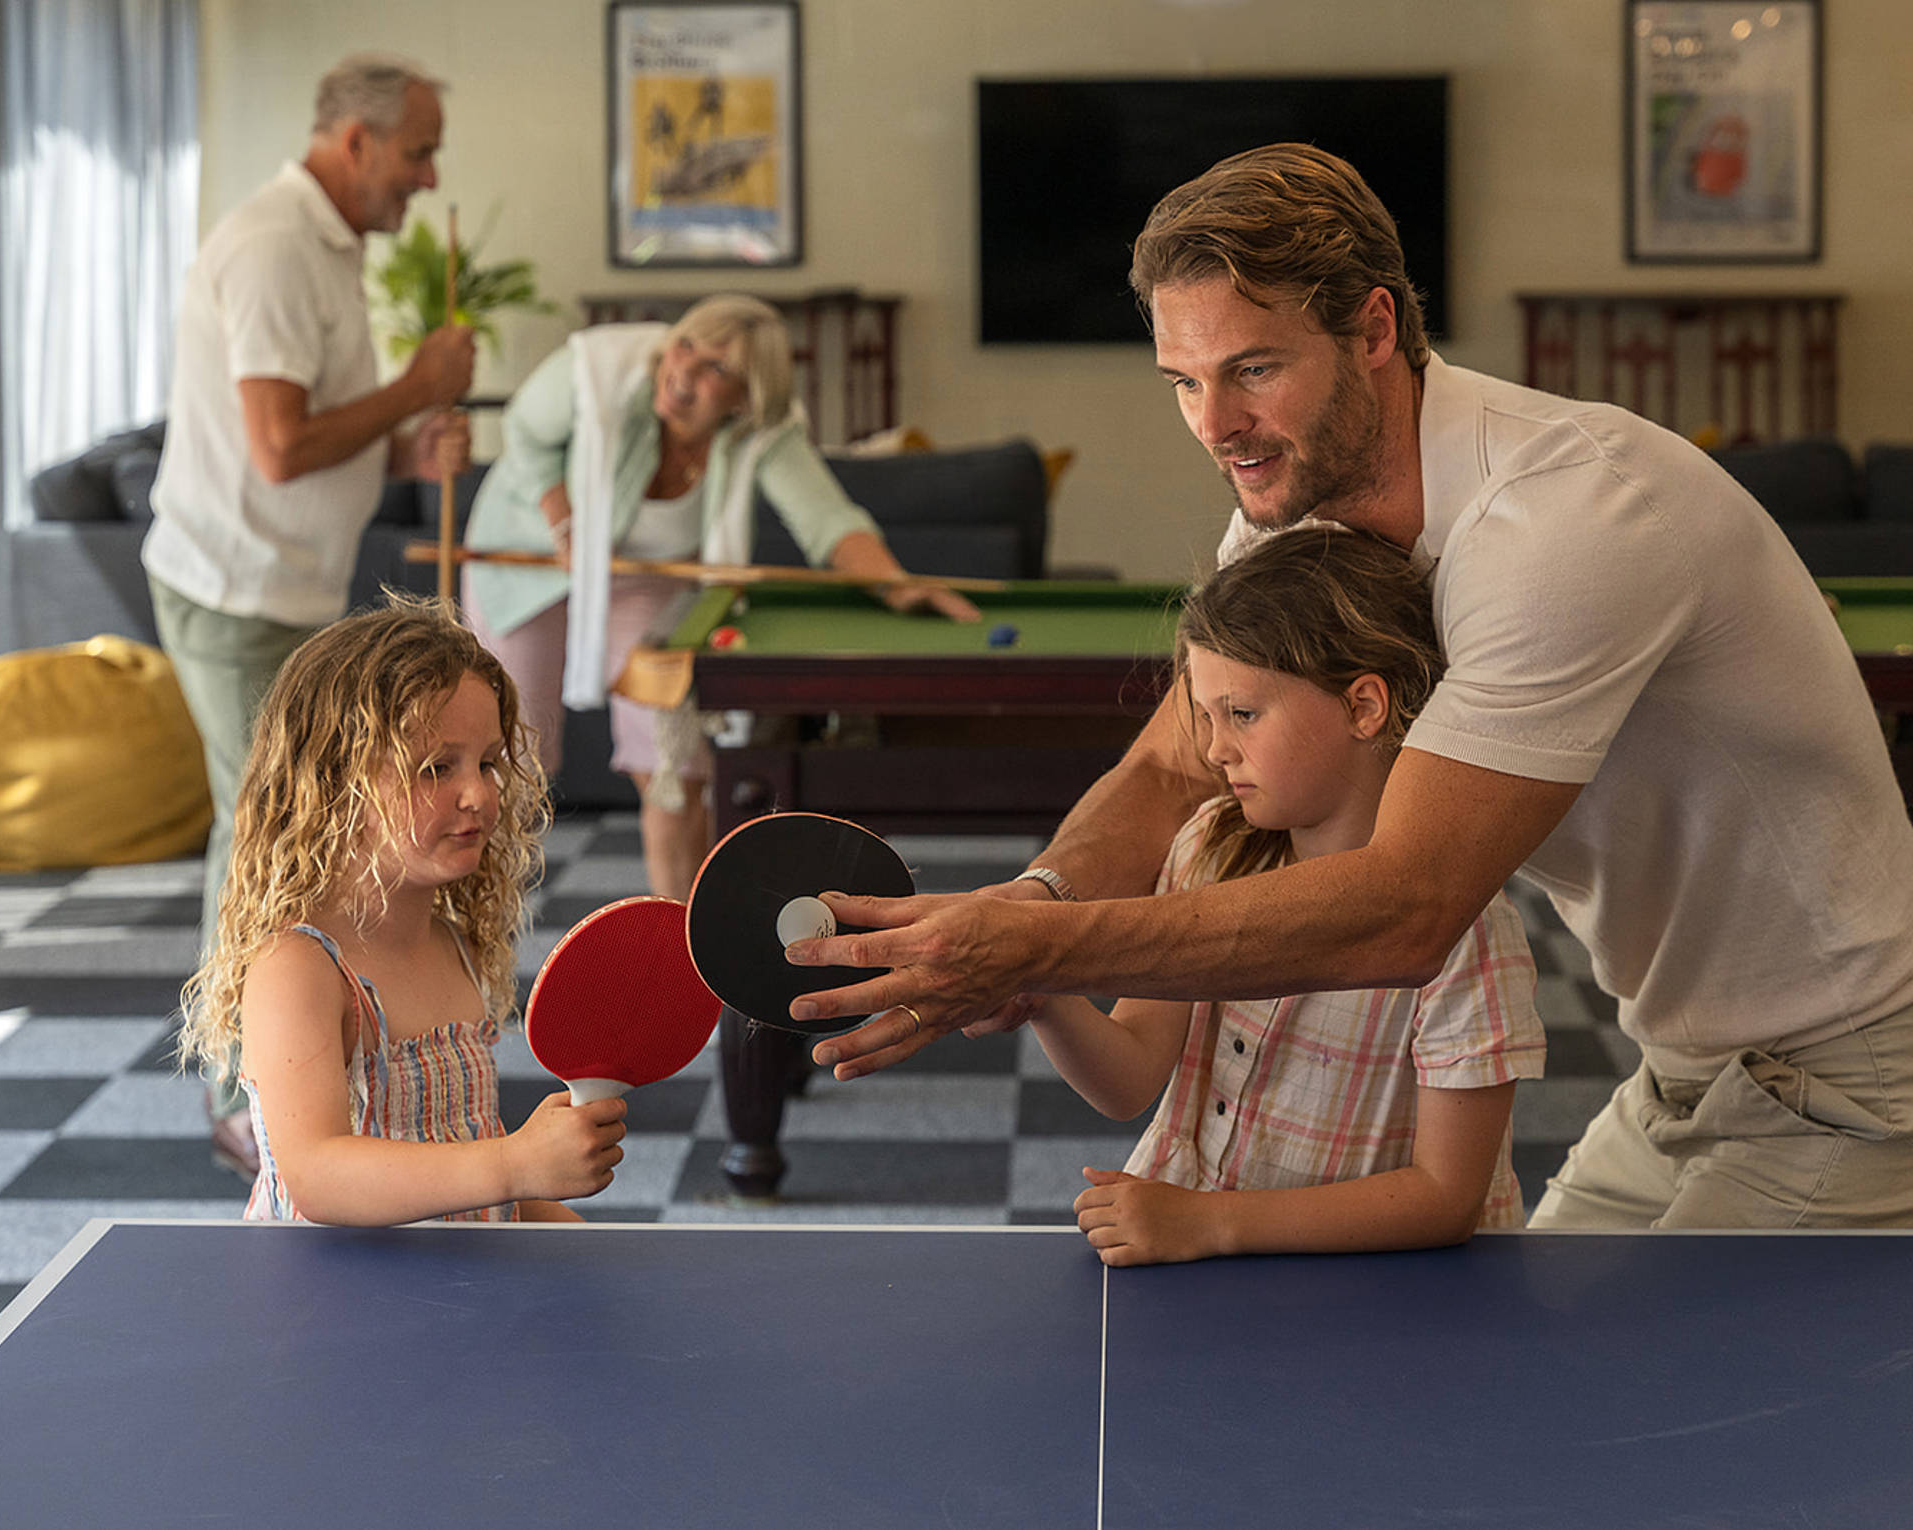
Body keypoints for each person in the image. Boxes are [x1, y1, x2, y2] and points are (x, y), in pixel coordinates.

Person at [789, 143, 1913, 1230]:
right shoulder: (1295, 513)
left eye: (1252, 371)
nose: (1214, 426)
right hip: (1682, 1068)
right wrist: (1026, 903)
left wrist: (1037, 953)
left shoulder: (1562, 520)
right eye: (1183, 381)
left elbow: (1408, 905)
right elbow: (1172, 761)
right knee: (1539, 1378)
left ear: (1373, 327)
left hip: (1843, 1075)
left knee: (1636, 1415)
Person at [1034, 526, 1543, 1264]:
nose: (1214, 751)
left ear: (1364, 706)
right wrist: (1045, 992)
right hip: (1197, 1248)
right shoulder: (1209, 847)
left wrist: (1211, 1224)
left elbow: (1445, 1197)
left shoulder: (1464, 931)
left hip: (1395, 1302)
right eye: (1205, 719)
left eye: (1241, 714)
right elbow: (1131, 1075)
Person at [144, 53, 477, 1176]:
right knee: (270, 834)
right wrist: (418, 389)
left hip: (288, 594)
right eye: (418, 151)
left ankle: (287, 1074)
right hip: (238, 596)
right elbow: (279, 448)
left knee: (290, 828)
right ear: (355, 144)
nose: (427, 178)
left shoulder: (330, 247)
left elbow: (315, 433)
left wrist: (401, 442)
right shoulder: (281, 245)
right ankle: (251, 1099)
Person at [459, 295, 979, 901]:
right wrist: (565, 523)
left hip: (644, 578)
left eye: (716, 370)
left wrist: (897, 582)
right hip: (524, 562)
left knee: (675, 765)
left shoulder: (767, 431)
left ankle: (686, 952)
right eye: (686, 347)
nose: (683, 374)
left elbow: (827, 521)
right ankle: (474, 926)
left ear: (747, 398)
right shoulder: (597, 369)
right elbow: (523, 429)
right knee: (512, 760)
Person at [175, 596, 626, 1225]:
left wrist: (552, 1212)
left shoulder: (451, 943)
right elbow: (318, 1176)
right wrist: (515, 1162)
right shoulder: (298, 967)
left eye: (489, 763)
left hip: (455, 1292)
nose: (478, 793)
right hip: (336, 1307)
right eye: (436, 767)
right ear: (337, 782)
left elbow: (462, 1158)